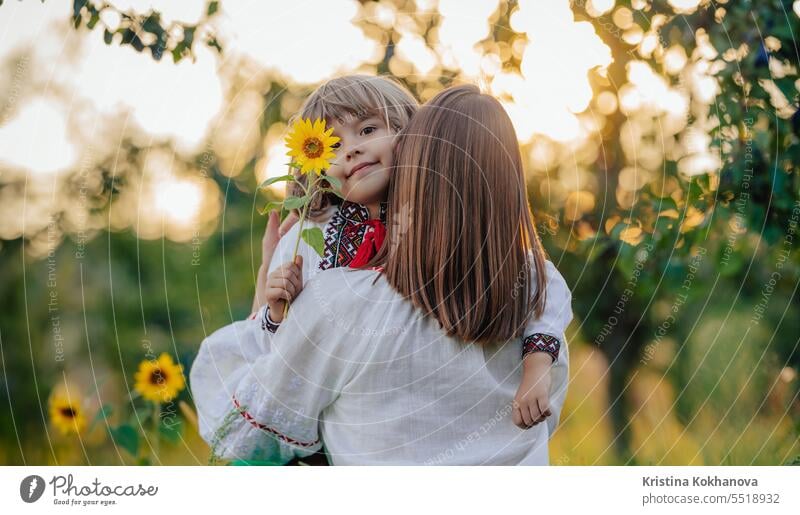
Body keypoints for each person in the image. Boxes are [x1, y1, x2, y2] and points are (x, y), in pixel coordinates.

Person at [190, 84, 573, 465]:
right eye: (332, 146)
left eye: (368, 130)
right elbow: (282, 354)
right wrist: (273, 306)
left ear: (412, 137)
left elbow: (273, 397)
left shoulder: (463, 253)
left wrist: (536, 364)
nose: (351, 149)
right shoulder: (312, 241)